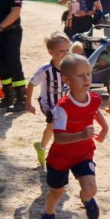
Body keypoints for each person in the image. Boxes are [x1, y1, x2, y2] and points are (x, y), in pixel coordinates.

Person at [40, 54, 108, 219]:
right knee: (56, 192)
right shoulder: (63, 107)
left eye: (88, 74)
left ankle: (86, 199)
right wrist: (80, 135)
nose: (87, 78)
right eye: (80, 75)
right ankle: (48, 214)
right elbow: (59, 137)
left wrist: (105, 126)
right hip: (60, 157)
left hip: (83, 153)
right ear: (66, 80)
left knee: (91, 189)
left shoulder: (94, 98)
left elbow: (94, 110)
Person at [26, 33, 70, 166]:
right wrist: (28, 103)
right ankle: (57, 155)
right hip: (49, 103)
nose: (65, 53)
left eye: (67, 50)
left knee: (52, 127)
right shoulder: (45, 70)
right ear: (51, 52)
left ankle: (41, 147)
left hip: (63, 102)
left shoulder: (69, 67)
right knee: (56, 126)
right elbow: (31, 84)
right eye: (61, 51)